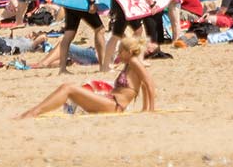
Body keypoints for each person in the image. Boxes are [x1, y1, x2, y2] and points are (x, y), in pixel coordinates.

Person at [17, 39, 157, 118]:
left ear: (129, 52)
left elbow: (149, 83)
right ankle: (34, 112)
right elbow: (143, 85)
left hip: (114, 106)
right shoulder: (129, 64)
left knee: (68, 88)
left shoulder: (134, 61)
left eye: (121, 51)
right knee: (69, 88)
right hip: (110, 102)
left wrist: (150, 110)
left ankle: (33, 112)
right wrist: (145, 108)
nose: (119, 53)